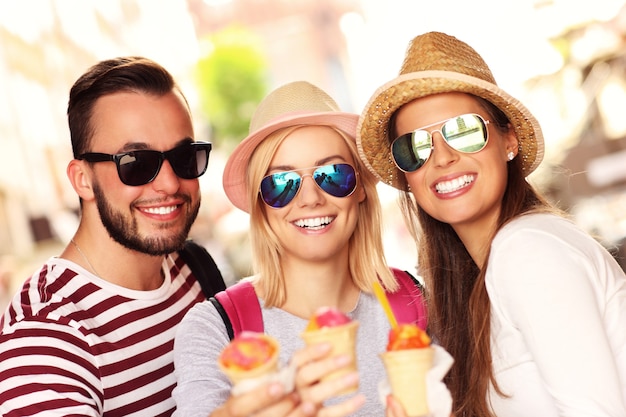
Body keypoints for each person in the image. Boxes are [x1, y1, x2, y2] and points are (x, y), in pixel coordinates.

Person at [357, 31, 626, 417]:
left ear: (509, 141)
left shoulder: (526, 250)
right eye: (414, 147)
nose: (442, 157)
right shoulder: (475, 284)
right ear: (408, 178)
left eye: (464, 130)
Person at [173, 81, 426, 416]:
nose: (310, 199)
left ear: (361, 189)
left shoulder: (415, 302)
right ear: (261, 204)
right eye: (281, 183)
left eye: (333, 174)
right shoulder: (215, 329)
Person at [0, 57, 223, 416]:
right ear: (82, 179)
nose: (169, 183)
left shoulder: (194, 269)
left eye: (184, 157)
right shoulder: (43, 336)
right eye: (136, 162)